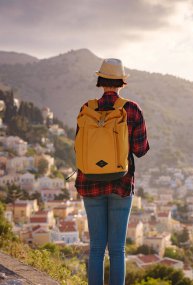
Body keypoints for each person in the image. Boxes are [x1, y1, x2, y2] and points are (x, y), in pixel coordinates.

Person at [75, 58, 150, 285]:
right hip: (121, 182)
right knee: (117, 249)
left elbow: (79, 146)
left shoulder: (86, 109)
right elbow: (140, 150)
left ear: (100, 81)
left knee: (96, 247)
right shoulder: (132, 110)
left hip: (89, 182)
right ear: (121, 82)